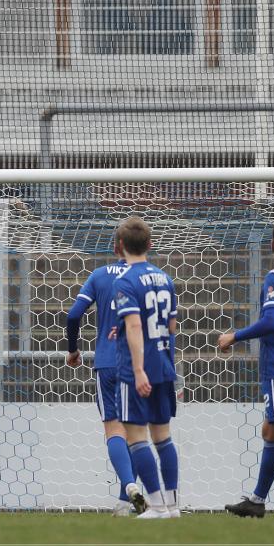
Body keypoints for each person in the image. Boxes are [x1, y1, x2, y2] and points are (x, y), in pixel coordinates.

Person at [66, 237, 145, 515]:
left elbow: (74, 314)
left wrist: (73, 349)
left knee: (113, 429)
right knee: (136, 431)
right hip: (141, 363)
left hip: (108, 362)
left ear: (114, 248)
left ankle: (128, 488)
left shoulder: (99, 276)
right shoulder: (149, 277)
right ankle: (128, 501)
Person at [219, 221, 274, 518]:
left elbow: (272, 322)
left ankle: (258, 501)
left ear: (273, 245)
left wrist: (233, 336)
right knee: (270, 430)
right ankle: (257, 500)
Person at [111, 217, 180, 519]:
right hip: (164, 364)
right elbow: (172, 325)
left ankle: (156, 506)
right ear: (150, 245)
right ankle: (174, 505)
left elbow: (136, 324)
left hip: (136, 370)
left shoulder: (125, 281)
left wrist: (138, 369)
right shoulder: (165, 278)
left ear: (121, 246)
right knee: (163, 437)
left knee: (137, 437)